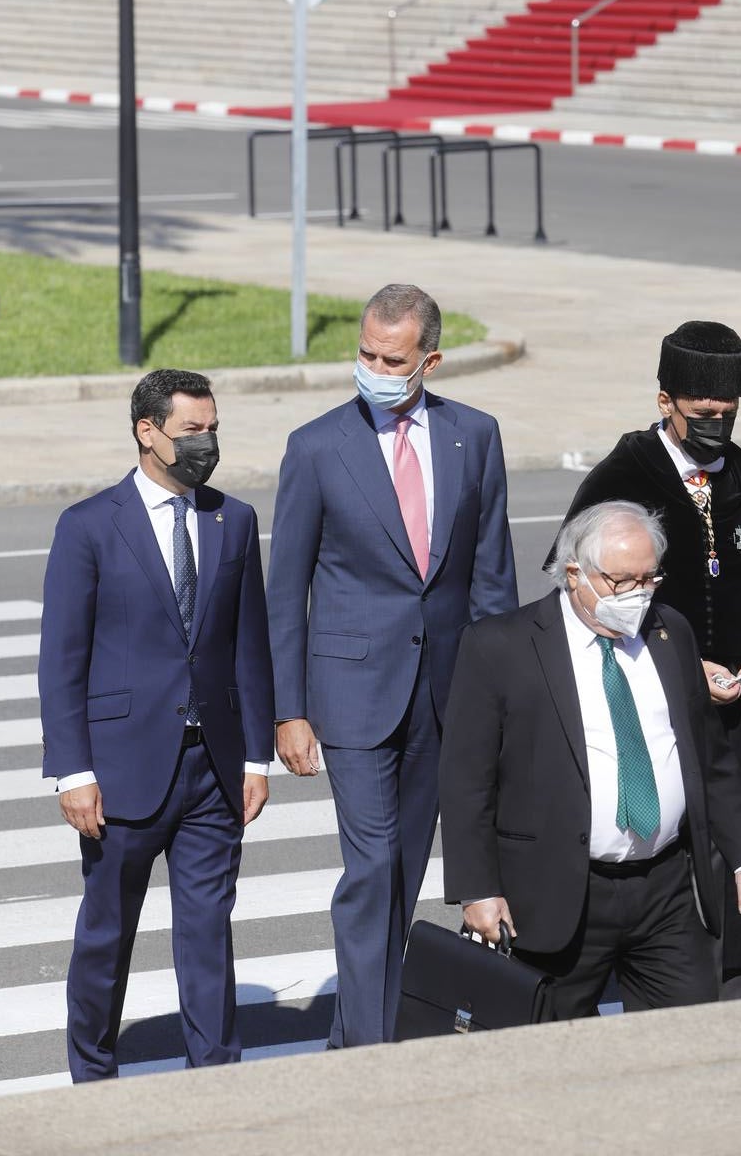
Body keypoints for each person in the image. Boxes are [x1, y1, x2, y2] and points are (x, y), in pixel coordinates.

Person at [266, 283, 518, 1048]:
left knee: (404, 874)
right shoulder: (316, 447)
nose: (375, 368)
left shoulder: (474, 436)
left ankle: (356, 1033)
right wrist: (288, 709)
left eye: (393, 358)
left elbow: (491, 579)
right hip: (351, 694)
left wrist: (502, 702)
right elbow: (286, 591)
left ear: (430, 360)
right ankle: (373, 1054)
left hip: (443, 696)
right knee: (372, 868)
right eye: (366, 354)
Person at [440, 501, 741, 1019]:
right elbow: (466, 781)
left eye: (649, 579)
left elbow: (710, 760)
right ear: (575, 573)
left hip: (667, 892)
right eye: (621, 581)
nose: (637, 595)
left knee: (688, 1048)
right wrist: (477, 889)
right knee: (563, 1061)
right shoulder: (500, 647)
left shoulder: (671, 634)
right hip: (559, 894)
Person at [39, 368, 275, 1082]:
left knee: (208, 932)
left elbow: (249, 646)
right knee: (108, 935)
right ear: (148, 432)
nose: (206, 444)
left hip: (214, 768)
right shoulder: (89, 525)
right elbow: (63, 658)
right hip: (121, 770)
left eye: (212, 429)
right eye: (190, 432)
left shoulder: (233, 520)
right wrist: (73, 771)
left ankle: (216, 1073)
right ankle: (93, 1075)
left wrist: (255, 756)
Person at [544, 320, 741, 1000]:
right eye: (703, 414)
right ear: (666, 404)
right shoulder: (623, 478)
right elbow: (584, 599)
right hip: (656, 711)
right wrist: (682, 669)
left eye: (728, 414)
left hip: (737, 720)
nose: (716, 425)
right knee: (679, 890)